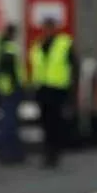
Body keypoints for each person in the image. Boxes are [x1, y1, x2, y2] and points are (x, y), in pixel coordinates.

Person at [30, 14, 77, 168]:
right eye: (45, 27)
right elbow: (36, 68)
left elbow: (74, 66)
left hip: (58, 89)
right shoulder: (38, 45)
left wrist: (72, 89)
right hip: (43, 89)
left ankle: (54, 154)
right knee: (45, 123)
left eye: (50, 27)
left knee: (56, 123)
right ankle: (48, 153)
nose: (47, 30)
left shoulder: (64, 44)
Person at [0, 23, 26, 164]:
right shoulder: (9, 48)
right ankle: (9, 154)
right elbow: (13, 72)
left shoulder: (0, 47)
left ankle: (8, 153)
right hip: (10, 89)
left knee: (8, 122)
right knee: (9, 123)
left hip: (5, 89)